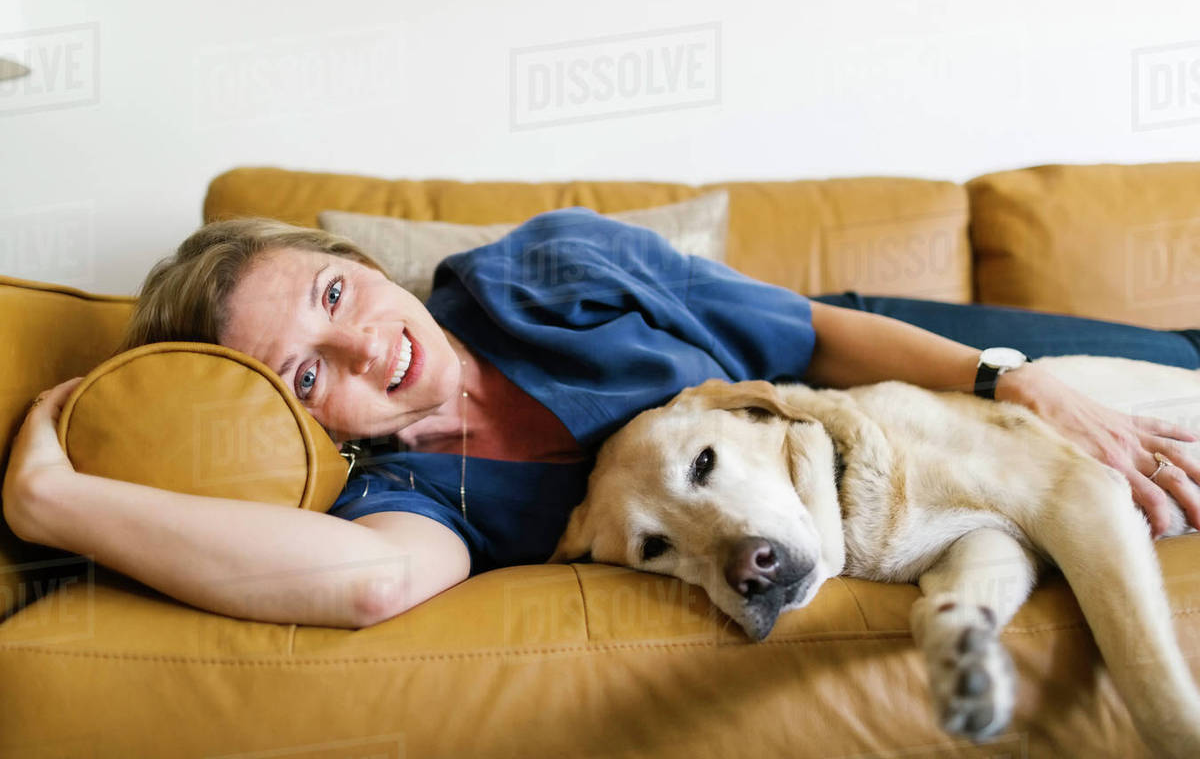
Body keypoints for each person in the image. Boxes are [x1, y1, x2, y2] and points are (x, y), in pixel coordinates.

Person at [6, 208, 1200, 630]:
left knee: (1178, 365)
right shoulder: (404, 492)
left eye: (333, 295)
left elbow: (808, 331)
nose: (363, 344)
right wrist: (56, 500)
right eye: (307, 374)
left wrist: (1006, 378)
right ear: (292, 414)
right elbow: (370, 583)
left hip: (881, 363)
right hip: (887, 501)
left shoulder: (546, 270)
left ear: (358, 262)